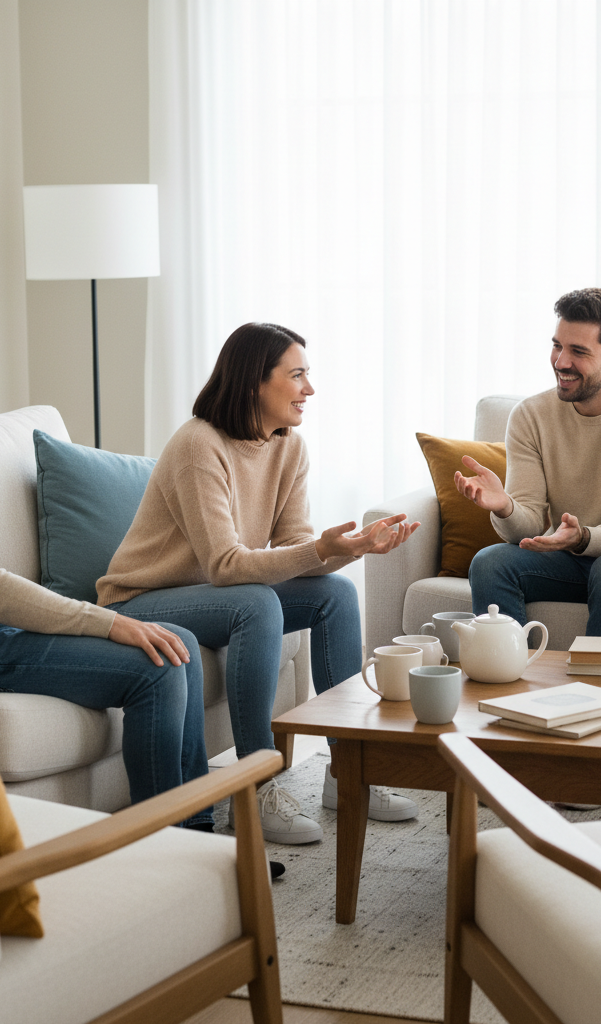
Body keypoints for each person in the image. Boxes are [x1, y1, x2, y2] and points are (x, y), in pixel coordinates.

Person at [0, 325, 213, 827]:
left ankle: (199, 828)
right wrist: (108, 622)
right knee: (158, 664)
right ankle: (173, 839)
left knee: (179, 642)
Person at [97, 322, 421, 845]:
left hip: (215, 599)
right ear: (254, 382)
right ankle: (258, 784)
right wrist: (320, 548)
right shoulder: (197, 445)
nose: (309, 390)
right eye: (297, 376)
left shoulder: (289, 448)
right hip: (143, 601)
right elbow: (225, 564)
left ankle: (348, 772)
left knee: (336, 595)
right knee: (256, 604)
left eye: (307, 376)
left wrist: (350, 549)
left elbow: (294, 551)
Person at [456, 288, 601, 636]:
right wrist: (505, 506)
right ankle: (509, 675)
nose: (561, 362)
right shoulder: (530, 416)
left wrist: (584, 538)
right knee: (491, 562)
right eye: (557, 346)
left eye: (578, 351)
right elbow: (529, 526)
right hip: (573, 559)